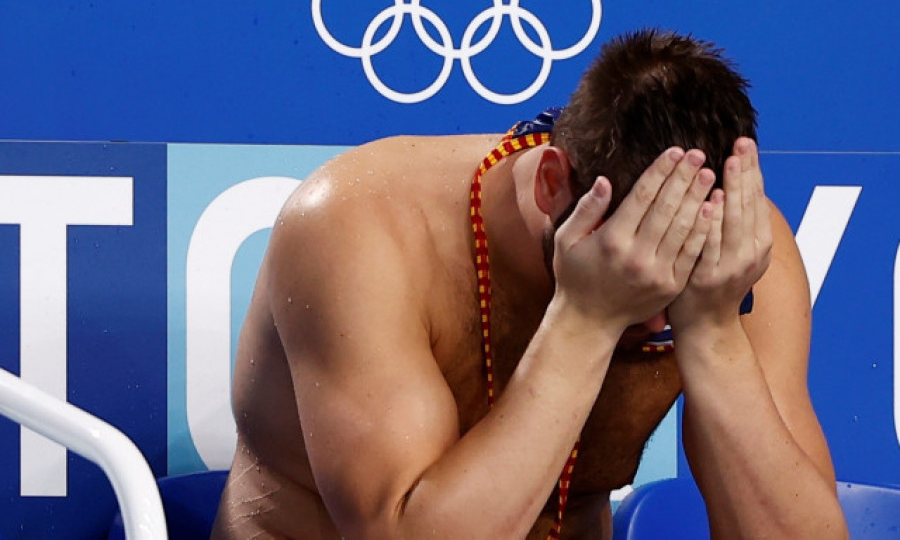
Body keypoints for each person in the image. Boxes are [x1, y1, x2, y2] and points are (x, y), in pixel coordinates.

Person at [210, 29, 848, 539]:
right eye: (633, 275)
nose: (656, 322)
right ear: (550, 184)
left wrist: (711, 328)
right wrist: (587, 319)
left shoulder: (740, 254)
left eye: (675, 297)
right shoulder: (360, 225)